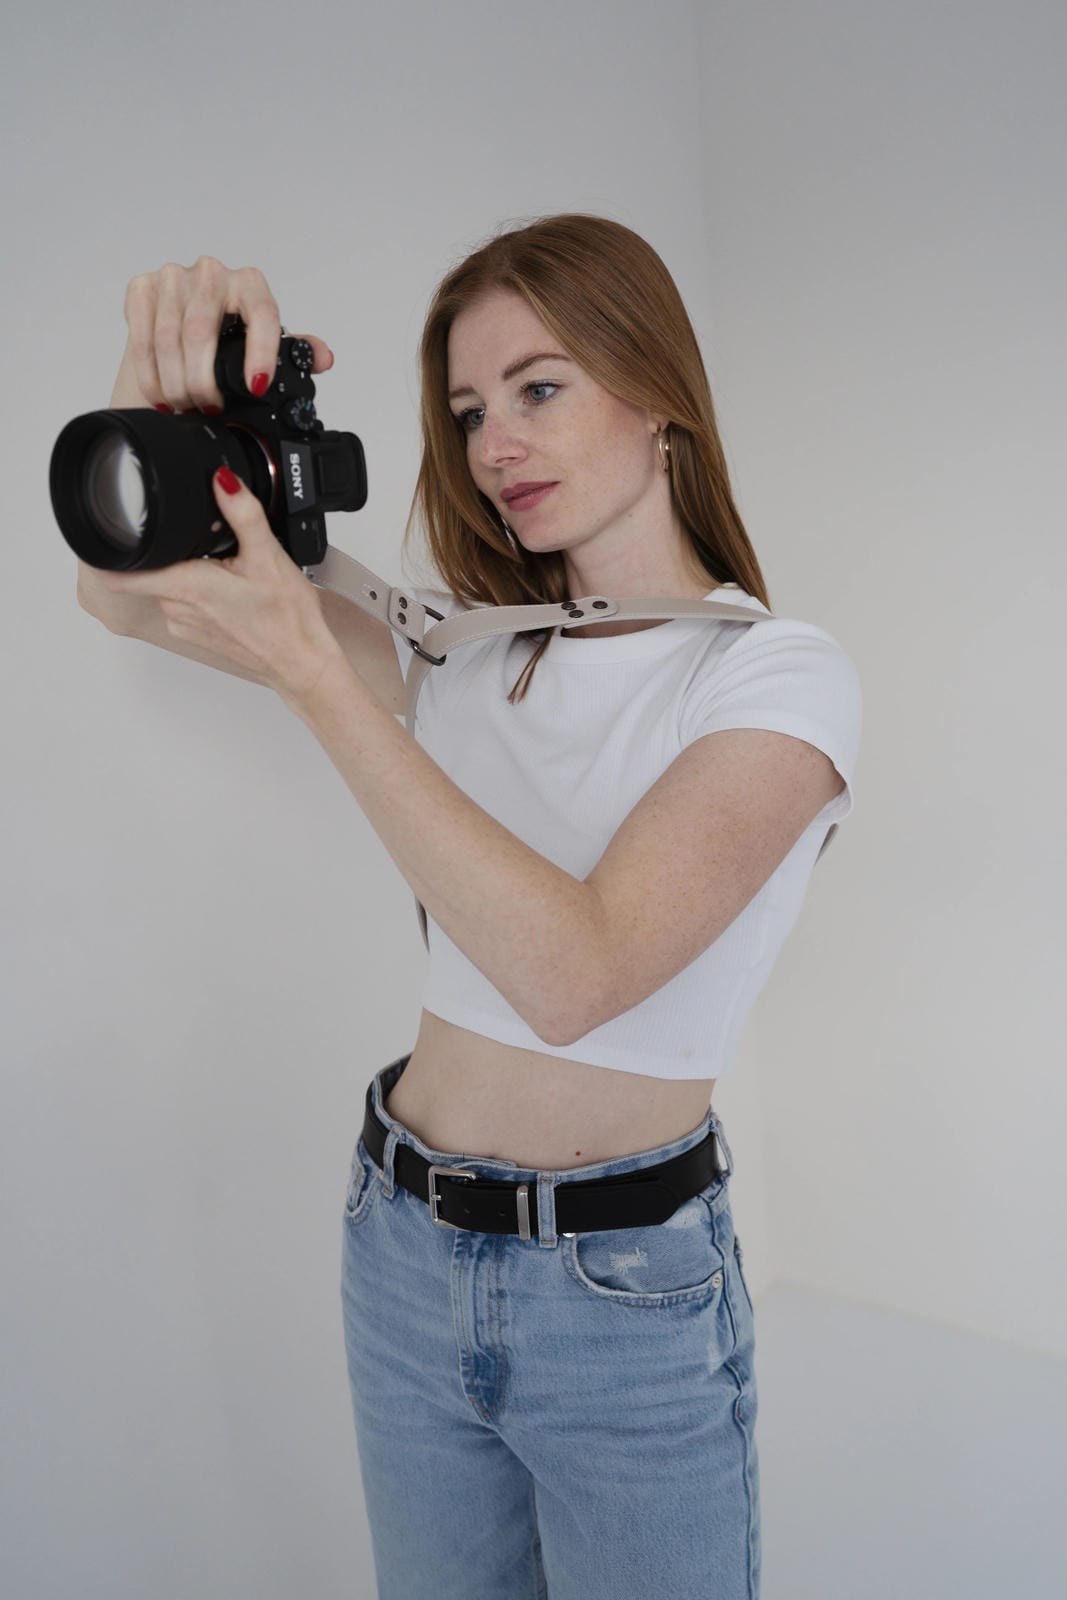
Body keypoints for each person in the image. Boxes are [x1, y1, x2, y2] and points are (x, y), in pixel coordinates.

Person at [77, 215, 862, 1599]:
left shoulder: (773, 678)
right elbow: (123, 595)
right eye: (466, 407)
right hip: (403, 1250)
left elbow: (580, 974)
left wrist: (320, 680)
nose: (497, 440)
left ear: (658, 395)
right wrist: (190, 418)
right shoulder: (466, 659)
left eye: (540, 387)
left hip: (624, 1300)